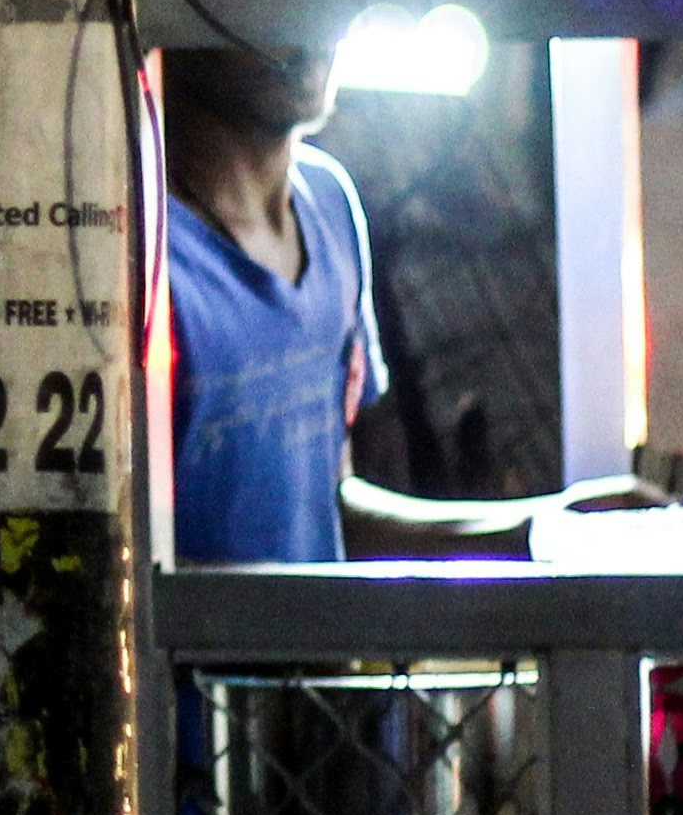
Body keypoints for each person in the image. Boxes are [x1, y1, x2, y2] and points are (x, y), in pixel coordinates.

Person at [159, 39, 529, 558]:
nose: (306, 30)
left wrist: (541, 530)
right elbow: (141, 567)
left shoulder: (329, 200)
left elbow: (331, 508)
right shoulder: (146, 252)